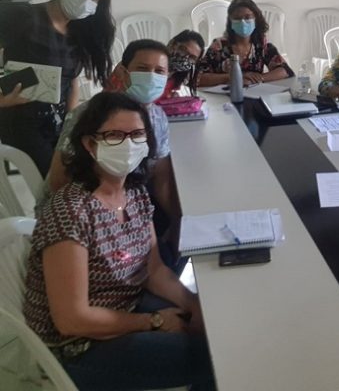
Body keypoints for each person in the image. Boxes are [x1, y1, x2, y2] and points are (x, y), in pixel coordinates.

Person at [23, 92, 215, 390]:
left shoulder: (135, 193)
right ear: (89, 144)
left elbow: (154, 270)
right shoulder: (70, 212)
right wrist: (154, 321)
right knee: (212, 360)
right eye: (114, 136)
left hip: (126, 305)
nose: (128, 145)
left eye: (137, 135)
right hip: (80, 346)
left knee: (215, 328)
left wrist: (193, 303)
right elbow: (72, 320)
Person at [47, 40, 180, 262]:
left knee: (171, 255)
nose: (151, 77)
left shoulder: (158, 118)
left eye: (159, 71)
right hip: (83, 215)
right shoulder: (89, 115)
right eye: (142, 69)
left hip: (132, 207)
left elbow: (161, 180)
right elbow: (59, 181)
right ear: (123, 71)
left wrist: (180, 219)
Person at [0, 0, 115, 176]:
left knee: (93, 166)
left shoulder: (78, 32)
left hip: (56, 122)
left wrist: (69, 127)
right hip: (20, 121)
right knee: (60, 180)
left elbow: (71, 81)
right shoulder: (23, 16)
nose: (86, 0)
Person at [197, 0, 292, 87]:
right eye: (237, 18)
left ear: (256, 19)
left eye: (247, 17)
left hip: (254, 94)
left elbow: (285, 71)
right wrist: (234, 77)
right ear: (231, 22)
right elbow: (198, 78)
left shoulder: (261, 45)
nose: (243, 22)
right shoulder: (219, 46)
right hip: (223, 97)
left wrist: (259, 78)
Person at [162, 29, 205, 98]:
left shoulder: (178, 76)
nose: (185, 58)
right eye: (183, 50)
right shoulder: (152, 65)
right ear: (173, 44)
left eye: (192, 57)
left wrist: (171, 96)